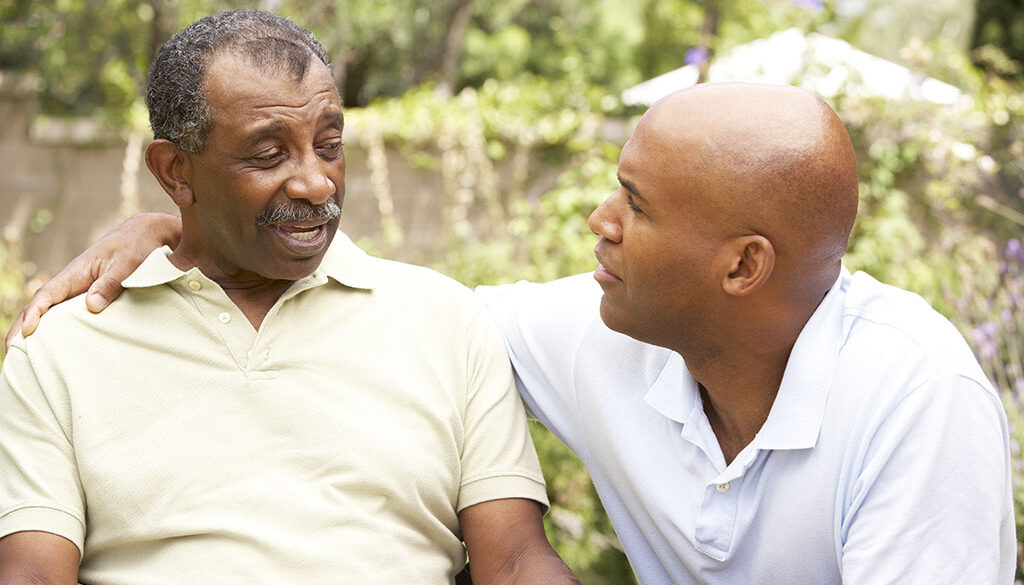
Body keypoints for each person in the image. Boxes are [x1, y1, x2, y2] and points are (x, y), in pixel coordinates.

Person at [5, 80, 1014, 583]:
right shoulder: (599, 328)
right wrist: (178, 231)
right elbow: (403, 313)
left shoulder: (913, 398)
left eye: (636, 206)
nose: (597, 223)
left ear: (743, 267)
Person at [0, 10, 581, 585]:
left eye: (329, 144)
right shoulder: (63, 348)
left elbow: (514, 562)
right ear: (175, 171)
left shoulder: (448, 321)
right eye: (269, 154)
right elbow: (32, 575)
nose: (316, 182)